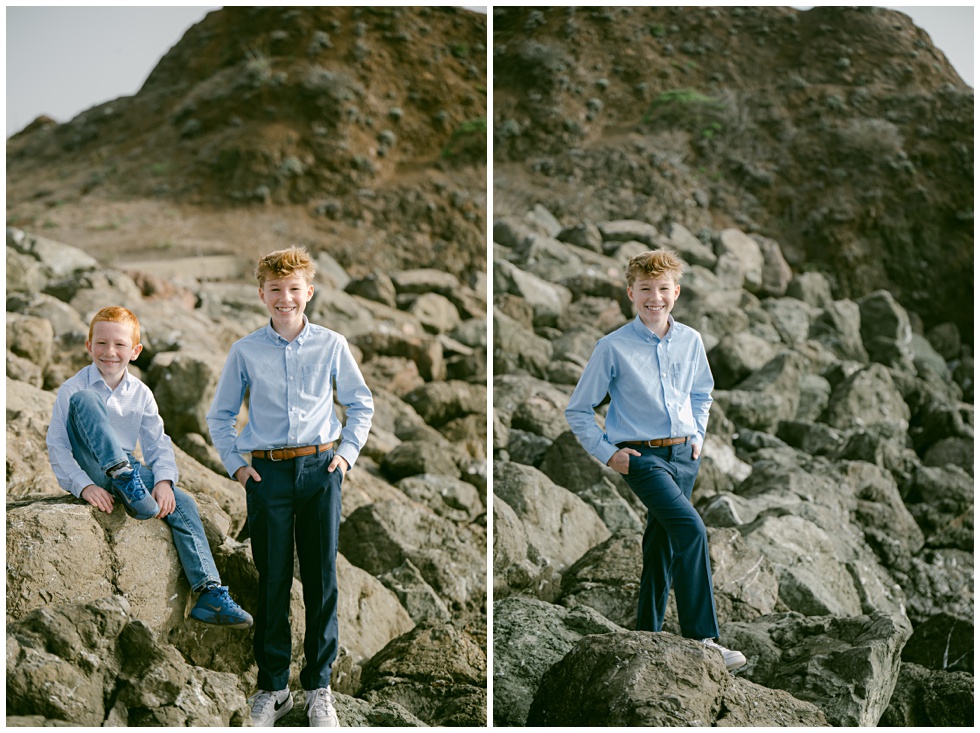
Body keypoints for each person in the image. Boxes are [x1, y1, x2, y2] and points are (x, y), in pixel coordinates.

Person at [206, 246, 374, 727]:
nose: (286, 299)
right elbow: (220, 415)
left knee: (322, 580)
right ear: (262, 294)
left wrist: (345, 456)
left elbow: (360, 404)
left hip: (322, 471)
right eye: (276, 290)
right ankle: (273, 689)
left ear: (310, 292)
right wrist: (238, 466)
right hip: (268, 475)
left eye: (294, 290)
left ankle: (319, 689)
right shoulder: (245, 350)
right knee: (273, 579)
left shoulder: (332, 344)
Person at [565, 249, 746, 672]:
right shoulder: (611, 347)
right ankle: (704, 639)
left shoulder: (691, 340)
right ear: (631, 292)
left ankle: (646, 631)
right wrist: (609, 454)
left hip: (685, 454)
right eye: (645, 289)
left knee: (662, 542)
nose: (655, 298)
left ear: (676, 292)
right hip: (641, 459)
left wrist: (698, 436)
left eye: (663, 289)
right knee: (691, 529)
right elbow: (578, 408)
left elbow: (702, 392)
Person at [46, 305, 253, 630]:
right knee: (87, 400)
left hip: (130, 470)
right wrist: (83, 485)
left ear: (136, 351)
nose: (109, 352)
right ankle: (122, 476)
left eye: (119, 345)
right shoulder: (73, 388)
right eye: (100, 343)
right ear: (89, 346)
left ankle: (209, 593)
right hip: (94, 466)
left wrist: (165, 482)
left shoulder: (140, 393)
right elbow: (57, 445)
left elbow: (158, 441)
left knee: (182, 503)